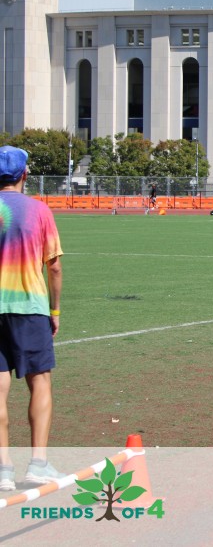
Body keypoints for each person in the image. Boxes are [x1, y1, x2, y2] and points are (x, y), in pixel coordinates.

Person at [0, 146, 63, 490]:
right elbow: (54, 266)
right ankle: (38, 463)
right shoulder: (39, 210)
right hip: (29, 307)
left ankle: (3, 469)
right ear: (24, 174)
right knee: (40, 381)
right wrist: (55, 310)